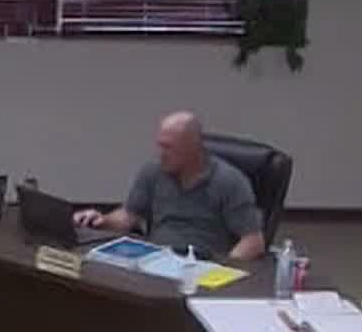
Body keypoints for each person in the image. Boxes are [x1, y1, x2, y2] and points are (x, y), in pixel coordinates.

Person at [72, 111, 266, 261]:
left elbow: (253, 241)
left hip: (201, 263)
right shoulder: (153, 171)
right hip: (156, 258)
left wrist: (222, 272)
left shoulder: (228, 181)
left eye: (169, 148)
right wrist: (102, 220)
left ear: (193, 149)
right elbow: (129, 216)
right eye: (160, 145)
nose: (161, 154)